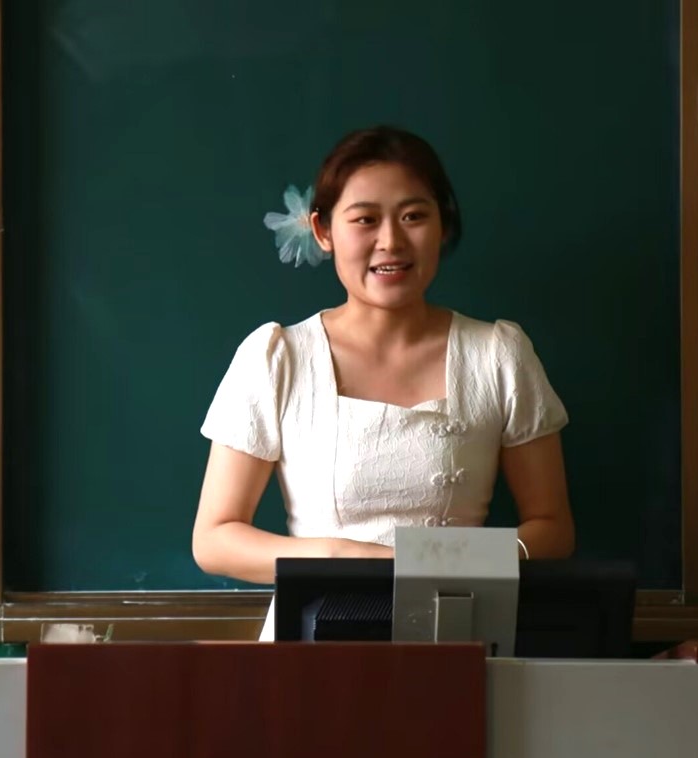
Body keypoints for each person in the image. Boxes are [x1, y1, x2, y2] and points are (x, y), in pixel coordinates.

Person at [193, 126, 574, 640]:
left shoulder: (498, 354)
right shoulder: (278, 358)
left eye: (414, 216)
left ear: (443, 225)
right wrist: (350, 558)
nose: (391, 241)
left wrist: (461, 566)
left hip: (458, 630)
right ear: (323, 231)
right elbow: (215, 539)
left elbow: (552, 527)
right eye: (365, 219)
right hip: (311, 638)